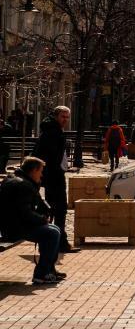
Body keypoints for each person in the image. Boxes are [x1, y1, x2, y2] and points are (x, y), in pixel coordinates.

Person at [0, 157, 66, 284]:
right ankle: (41, 274)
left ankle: (48, 270)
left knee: (53, 230)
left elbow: (34, 204)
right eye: (40, 171)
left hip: (11, 225)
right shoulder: (23, 185)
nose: (41, 175)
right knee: (52, 233)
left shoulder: (20, 180)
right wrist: (42, 219)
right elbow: (24, 212)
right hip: (15, 228)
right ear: (33, 170)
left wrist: (45, 211)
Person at [32, 105, 79, 254]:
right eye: (62, 117)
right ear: (56, 116)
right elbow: (50, 155)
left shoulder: (53, 130)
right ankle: (57, 242)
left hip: (53, 174)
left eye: (67, 117)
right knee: (58, 209)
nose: (65, 120)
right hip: (53, 175)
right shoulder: (53, 131)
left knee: (55, 209)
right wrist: (55, 171)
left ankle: (56, 240)